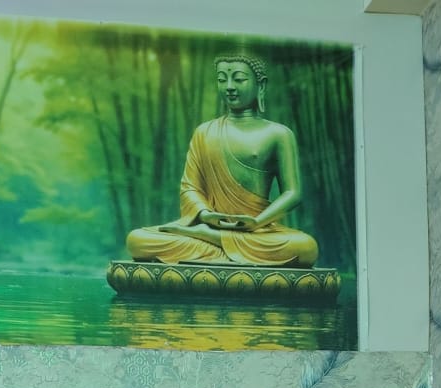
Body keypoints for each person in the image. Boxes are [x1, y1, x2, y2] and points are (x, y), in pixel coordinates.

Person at [126, 52, 319, 268]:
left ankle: (212, 240)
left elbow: (292, 193)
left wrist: (257, 222)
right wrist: (205, 215)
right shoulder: (204, 132)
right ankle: (218, 241)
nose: (229, 87)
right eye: (221, 79)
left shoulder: (279, 134)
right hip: (213, 226)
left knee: (305, 247)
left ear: (261, 85)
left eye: (239, 79)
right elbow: (190, 188)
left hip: (258, 232)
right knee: (138, 240)